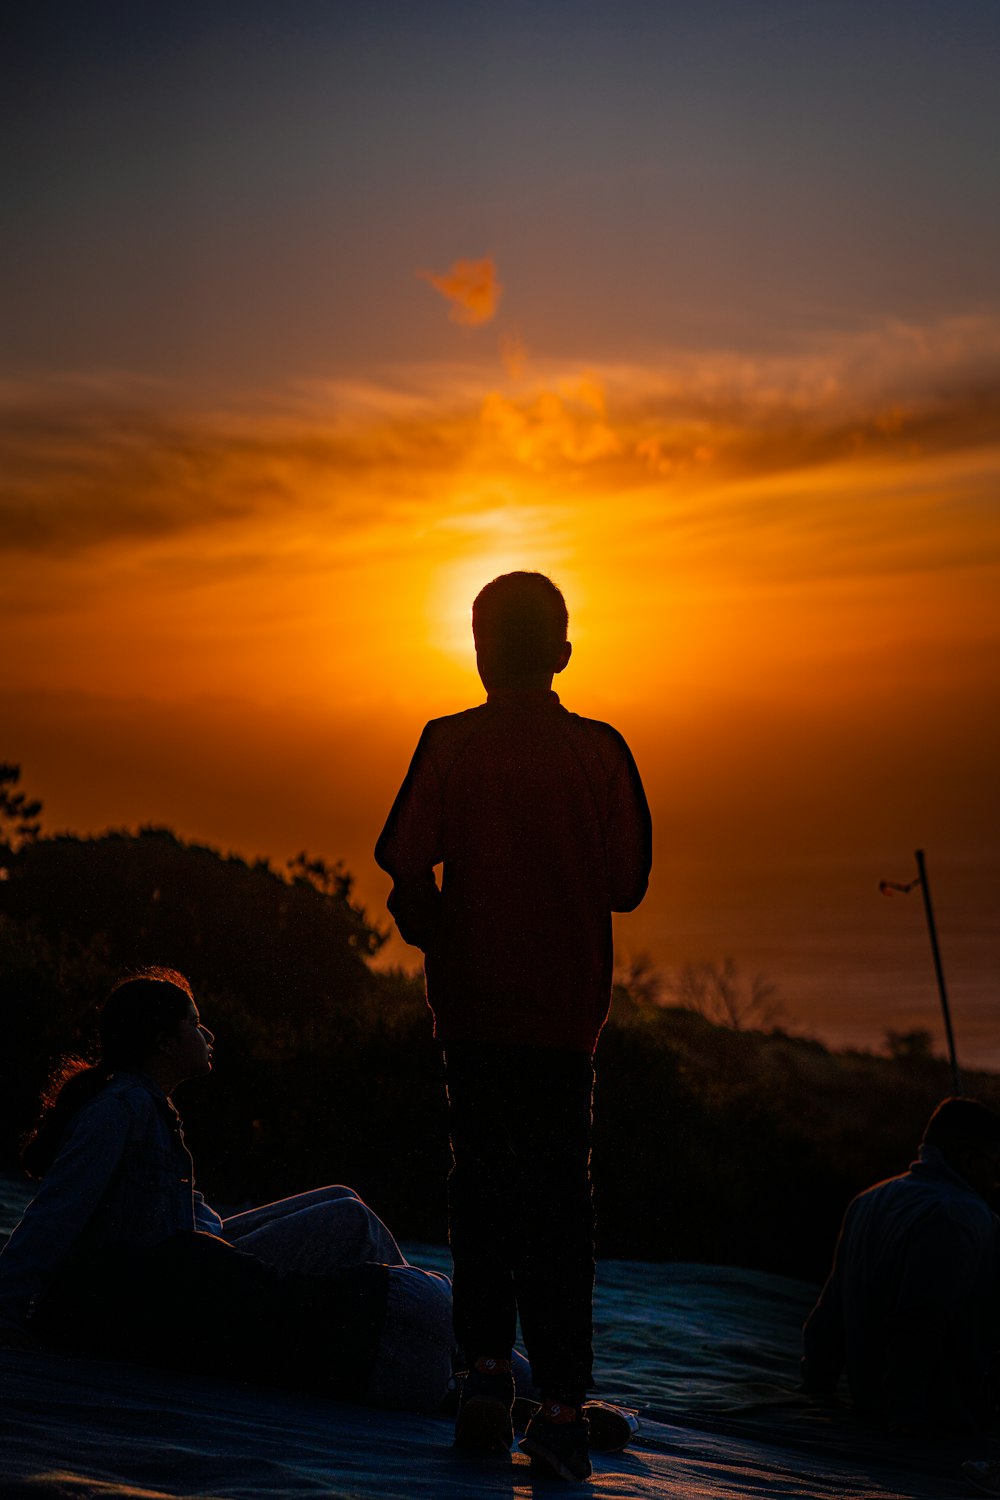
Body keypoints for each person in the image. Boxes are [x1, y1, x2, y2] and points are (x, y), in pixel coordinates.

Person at [375, 570, 652, 1479]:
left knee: (480, 1194)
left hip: (474, 1012)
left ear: (480, 650)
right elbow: (627, 884)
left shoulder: (448, 744)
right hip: (566, 1021)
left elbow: (406, 865)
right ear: (564, 653)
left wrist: (437, 931)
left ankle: (487, 1384)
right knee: (561, 1209)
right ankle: (564, 1410)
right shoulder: (603, 754)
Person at [0, 967, 455, 1412]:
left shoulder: (149, 1106)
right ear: (164, 1041)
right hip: (164, 1288)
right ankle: (462, 1352)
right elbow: (55, 1212)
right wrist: (7, 1306)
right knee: (350, 1222)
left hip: (193, 1261)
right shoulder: (118, 1110)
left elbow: (179, 1213)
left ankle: (453, 1343)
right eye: (196, 1024)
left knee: (341, 1197)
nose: (208, 1035)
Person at [802, 1096, 1000, 1434]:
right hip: (938, 1420)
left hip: (871, 1402)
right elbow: (919, 1326)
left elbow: (828, 1315)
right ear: (970, 1160)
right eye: (995, 1167)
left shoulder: (867, 1200)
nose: (998, 1180)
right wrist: (907, 1424)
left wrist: (816, 1386)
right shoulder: (959, 1215)